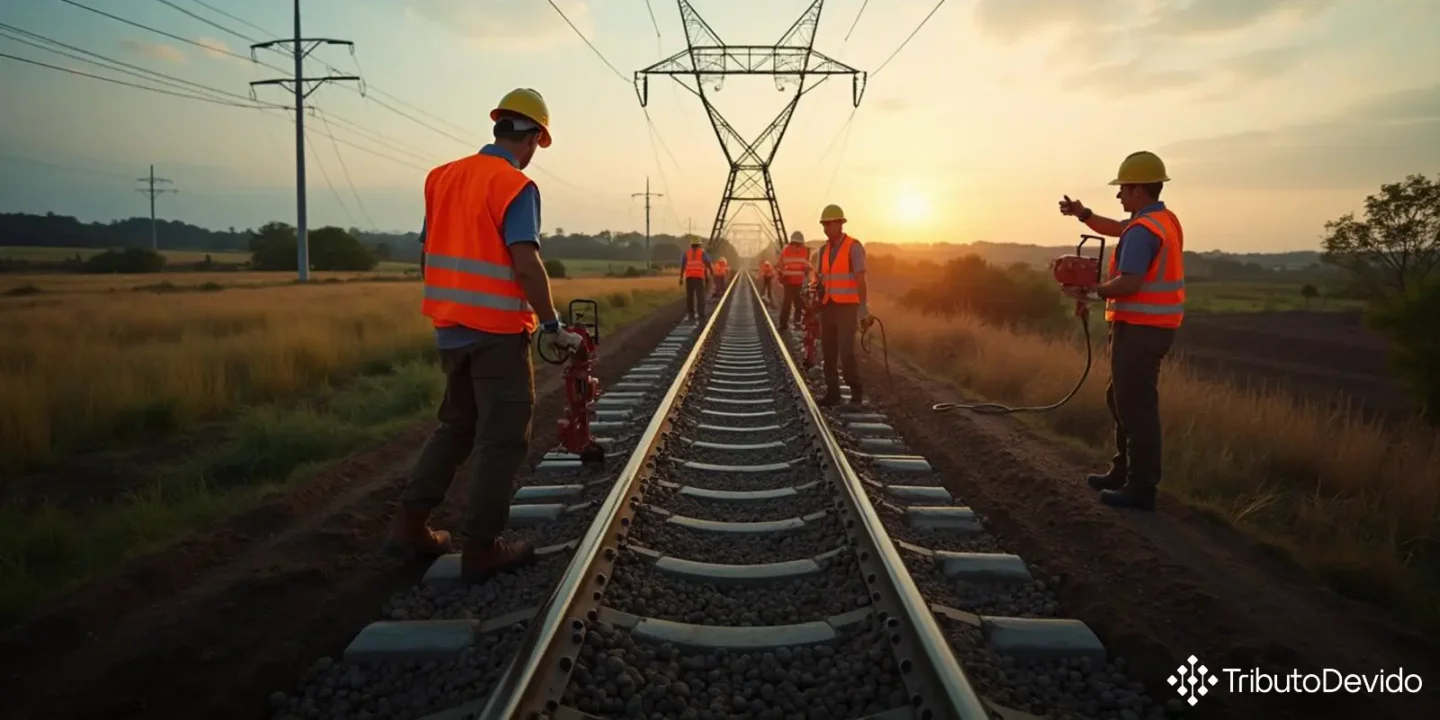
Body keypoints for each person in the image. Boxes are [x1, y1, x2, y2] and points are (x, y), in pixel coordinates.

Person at [385, 88, 583, 581]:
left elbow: (428, 253)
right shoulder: (515, 185)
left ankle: (410, 526)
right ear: (534, 138)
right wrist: (552, 325)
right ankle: (482, 546)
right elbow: (526, 263)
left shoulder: (442, 176)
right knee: (504, 437)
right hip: (497, 333)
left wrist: (452, 306)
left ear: (499, 126)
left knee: (456, 427)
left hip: (450, 330)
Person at [1059, 150, 1184, 512]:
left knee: (1136, 407)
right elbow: (1117, 228)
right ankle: (1123, 472)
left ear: (1138, 190)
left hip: (1141, 329)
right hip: (1148, 327)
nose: (1118, 195)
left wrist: (1092, 291)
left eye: (1123, 189)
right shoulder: (1160, 220)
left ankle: (1141, 488)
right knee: (1121, 399)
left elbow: (1129, 283)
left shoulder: (1143, 230)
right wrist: (1083, 214)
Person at [812, 204, 867, 406]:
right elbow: (821, 278)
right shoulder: (823, 250)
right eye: (823, 224)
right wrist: (815, 294)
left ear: (840, 224)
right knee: (828, 353)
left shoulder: (854, 247)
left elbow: (861, 280)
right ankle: (833, 393)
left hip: (847, 308)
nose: (825, 228)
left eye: (829, 224)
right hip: (827, 307)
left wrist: (863, 309)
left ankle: (856, 391)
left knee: (846, 353)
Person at [778, 231, 811, 330]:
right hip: (799, 282)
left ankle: (783, 324)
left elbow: (780, 265)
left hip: (788, 282)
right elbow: (806, 266)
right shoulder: (804, 251)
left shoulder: (785, 250)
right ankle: (797, 322)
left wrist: (781, 277)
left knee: (787, 303)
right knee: (798, 303)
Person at [679, 238, 713, 321]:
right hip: (699, 278)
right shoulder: (702, 252)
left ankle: (691, 315)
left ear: (691, 244)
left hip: (689, 278)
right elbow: (708, 262)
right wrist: (711, 272)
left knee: (689, 297)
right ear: (699, 244)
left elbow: (683, 266)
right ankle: (701, 315)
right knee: (700, 297)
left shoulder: (686, 253)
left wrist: (681, 277)